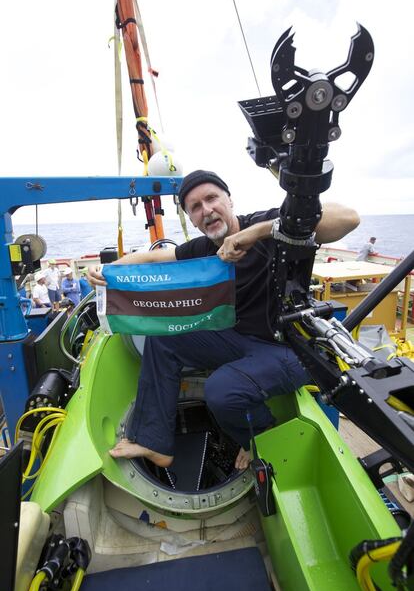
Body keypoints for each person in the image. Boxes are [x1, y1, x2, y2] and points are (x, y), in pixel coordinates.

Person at [88, 170, 360, 470]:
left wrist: (255, 233)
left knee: (221, 391)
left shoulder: (268, 222)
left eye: (211, 198)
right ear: (191, 220)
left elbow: (348, 218)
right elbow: (152, 258)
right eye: (195, 207)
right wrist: (108, 272)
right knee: (163, 334)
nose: (206, 210)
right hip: (240, 341)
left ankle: (260, 435)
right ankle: (154, 442)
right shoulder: (204, 249)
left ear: (229, 200)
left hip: (290, 350)